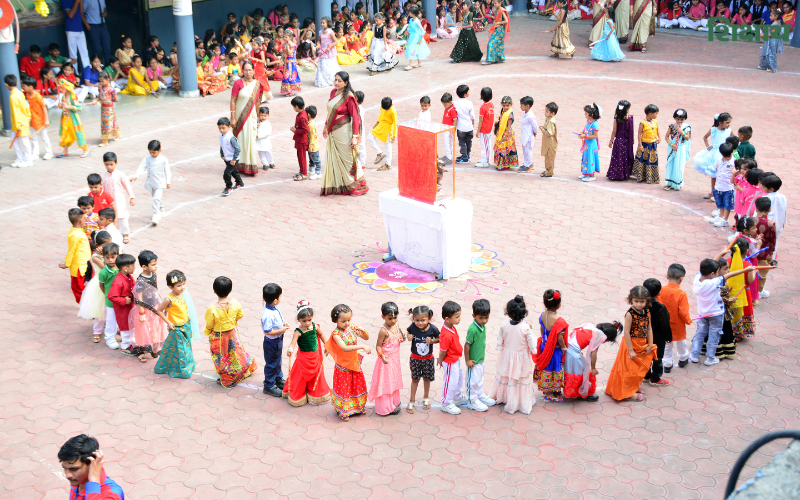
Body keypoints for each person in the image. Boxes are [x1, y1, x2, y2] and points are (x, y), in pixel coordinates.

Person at [321, 71, 369, 196]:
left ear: (346, 83)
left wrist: (354, 137)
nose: (336, 83)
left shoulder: (349, 96)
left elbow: (356, 118)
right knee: (337, 160)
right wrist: (326, 126)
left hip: (344, 132)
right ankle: (342, 185)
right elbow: (330, 111)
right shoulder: (333, 92)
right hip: (333, 132)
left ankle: (357, 186)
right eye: (335, 80)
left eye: (339, 81)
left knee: (348, 159)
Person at [203, 276, 257, 388]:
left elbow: (209, 324)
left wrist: (207, 332)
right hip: (231, 333)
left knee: (221, 356)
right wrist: (233, 322)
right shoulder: (235, 303)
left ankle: (228, 378)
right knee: (234, 351)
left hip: (219, 336)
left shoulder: (212, 309)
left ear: (214, 291)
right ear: (230, 290)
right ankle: (245, 367)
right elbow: (240, 314)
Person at [604, 286, 656, 401]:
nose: (639, 304)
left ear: (646, 301)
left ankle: (633, 387)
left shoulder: (647, 311)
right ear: (631, 300)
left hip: (642, 344)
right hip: (630, 345)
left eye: (642, 301)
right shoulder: (630, 314)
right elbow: (626, 333)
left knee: (638, 370)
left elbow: (649, 329)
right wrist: (631, 350)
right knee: (628, 370)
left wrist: (650, 344)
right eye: (636, 301)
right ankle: (627, 394)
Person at [488, 296, 537, 413]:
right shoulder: (526, 328)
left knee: (506, 376)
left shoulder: (504, 324)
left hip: (507, 356)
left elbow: (501, 340)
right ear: (524, 313)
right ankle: (517, 402)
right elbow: (532, 344)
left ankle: (504, 397)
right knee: (519, 378)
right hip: (521, 359)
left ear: (508, 313)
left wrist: (500, 346)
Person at [325, 304, 371, 420]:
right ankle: (344, 410)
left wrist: (363, 331)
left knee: (356, 385)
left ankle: (357, 407)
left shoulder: (352, 328)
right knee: (345, 387)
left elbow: (366, 337)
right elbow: (344, 348)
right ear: (336, 320)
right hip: (344, 366)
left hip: (354, 363)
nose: (347, 323)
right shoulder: (336, 334)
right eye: (343, 321)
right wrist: (361, 346)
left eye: (349, 320)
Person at [282, 301, 331, 406]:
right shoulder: (298, 332)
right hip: (304, 359)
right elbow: (293, 343)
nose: (307, 323)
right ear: (298, 320)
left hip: (315, 357)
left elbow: (322, 335)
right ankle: (300, 394)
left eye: (309, 320)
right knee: (301, 376)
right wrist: (290, 349)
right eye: (304, 321)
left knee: (316, 374)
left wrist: (327, 345)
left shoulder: (315, 327)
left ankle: (314, 394)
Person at [153, 269, 197, 378]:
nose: (182, 287)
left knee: (184, 347)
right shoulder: (168, 299)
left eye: (183, 284)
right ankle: (183, 370)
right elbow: (159, 310)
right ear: (171, 287)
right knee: (181, 350)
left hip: (186, 326)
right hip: (177, 328)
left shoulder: (182, 294)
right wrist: (168, 322)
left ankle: (185, 365)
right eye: (179, 285)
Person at [563, 321, 622, 401]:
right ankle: (581, 394)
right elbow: (593, 353)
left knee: (573, 372)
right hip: (572, 353)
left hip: (567, 347)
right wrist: (593, 368)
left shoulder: (590, 326)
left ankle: (578, 392)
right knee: (581, 372)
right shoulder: (598, 336)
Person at [128, 250, 167, 362]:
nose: (156, 266)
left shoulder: (153, 275)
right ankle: (141, 349)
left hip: (154, 306)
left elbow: (155, 290)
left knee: (154, 326)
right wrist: (141, 313)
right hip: (145, 309)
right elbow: (138, 298)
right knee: (144, 327)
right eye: (153, 265)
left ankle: (154, 345)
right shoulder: (141, 281)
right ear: (144, 267)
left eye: (156, 264)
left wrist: (160, 304)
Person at [59, 434, 124, 500]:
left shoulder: (112, 495)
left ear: (91, 464)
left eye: (74, 469)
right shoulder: (78, 481)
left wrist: (93, 482)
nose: (68, 475)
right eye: (64, 468)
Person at [530, 290, 567, 402]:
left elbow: (542, 329)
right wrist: (564, 348)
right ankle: (552, 392)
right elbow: (560, 338)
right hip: (555, 350)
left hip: (544, 346)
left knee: (546, 367)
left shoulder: (543, 315)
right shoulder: (559, 322)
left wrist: (544, 341)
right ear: (559, 305)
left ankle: (547, 390)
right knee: (554, 368)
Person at [368, 302, 405, 416]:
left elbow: (400, 337)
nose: (393, 320)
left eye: (395, 317)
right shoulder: (383, 331)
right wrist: (381, 355)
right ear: (383, 317)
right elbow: (378, 346)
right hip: (386, 362)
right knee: (386, 383)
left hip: (395, 361)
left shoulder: (396, 325)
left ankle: (394, 402)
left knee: (393, 381)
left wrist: (403, 337)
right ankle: (385, 407)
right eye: (390, 318)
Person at [230, 61, 264, 176]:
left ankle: (250, 164)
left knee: (250, 140)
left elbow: (258, 102)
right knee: (240, 141)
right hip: (239, 117)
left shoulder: (257, 84)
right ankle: (239, 165)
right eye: (245, 70)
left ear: (254, 71)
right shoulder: (238, 83)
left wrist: (259, 117)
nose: (248, 72)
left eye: (250, 70)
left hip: (251, 116)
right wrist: (232, 118)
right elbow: (233, 101)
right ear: (242, 71)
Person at [462, 299, 496, 412]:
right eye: (481, 318)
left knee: (480, 381)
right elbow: (467, 345)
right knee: (473, 382)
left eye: (486, 317)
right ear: (474, 315)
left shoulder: (483, 326)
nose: (484, 320)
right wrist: (467, 360)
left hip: (480, 360)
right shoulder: (473, 329)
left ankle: (480, 395)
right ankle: (472, 401)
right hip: (473, 362)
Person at [405, 305, 439, 413]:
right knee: (415, 379)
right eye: (417, 320)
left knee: (426, 379)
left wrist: (432, 341)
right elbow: (408, 332)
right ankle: (412, 400)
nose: (420, 323)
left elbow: (439, 338)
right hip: (414, 359)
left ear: (429, 319)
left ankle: (426, 398)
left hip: (428, 359)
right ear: (413, 319)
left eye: (423, 320)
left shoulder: (433, 328)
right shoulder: (413, 327)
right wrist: (408, 336)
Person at [78, 231, 110, 343]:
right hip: (100, 285)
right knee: (100, 310)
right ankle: (97, 331)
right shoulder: (96, 257)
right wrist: (104, 256)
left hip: (111, 283)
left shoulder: (108, 255)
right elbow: (108, 268)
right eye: (106, 245)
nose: (109, 247)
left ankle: (116, 328)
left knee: (112, 308)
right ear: (98, 246)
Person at [660, 264, 692, 371]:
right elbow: (683, 312)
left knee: (667, 345)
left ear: (667, 276)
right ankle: (683, 359)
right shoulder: (681, 294)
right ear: (681, 279)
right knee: (681, 342)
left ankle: (667, 364)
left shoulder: (661, 291)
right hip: (678, 324)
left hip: (663, 324)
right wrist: (688, 321)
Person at [130, 140, 171, 225]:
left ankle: (156, 215)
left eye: (154, 152)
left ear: (160, 150)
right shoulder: (147, 158)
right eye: (150, 152)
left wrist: (168, 182)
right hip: (151, 183)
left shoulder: (164, 160)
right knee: (156, 198)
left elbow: (167, 171)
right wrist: (136, 176)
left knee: (155, 199)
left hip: (160, 183)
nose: (152, 154)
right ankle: (161, 209)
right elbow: (142, 167)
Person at [694, 112, 732, 200]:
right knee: (714, 174)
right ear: (720, 122)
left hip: (724, 154)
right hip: (714, 154)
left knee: (721, 174)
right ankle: (713, 192)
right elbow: (705, 137)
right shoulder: (713, 129)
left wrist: (730, 148)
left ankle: (719, 194)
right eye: (727, 122)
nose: (729, 124)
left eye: (729, 122)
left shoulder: (729, 131)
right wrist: (708, 146)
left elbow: (734, 139)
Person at [438, 301, 466, 415]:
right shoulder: (446, 334)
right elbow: (442, 351)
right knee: (450, 382)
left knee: (458, 379)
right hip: (449, 361)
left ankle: (457, 397)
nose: (459, 319)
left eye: (459, 316)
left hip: (455, 359)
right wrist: (440, 360)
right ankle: (446, 403)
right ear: (447, 319)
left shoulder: (452, 327)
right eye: (457, 317)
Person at [642, 278, 672, 387]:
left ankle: (646, 375)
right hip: (658, 338)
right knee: (657, 358)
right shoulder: (661, 307)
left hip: (643, 337)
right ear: (659, 292)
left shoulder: (640, 306)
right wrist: (668, 337)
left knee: (645, 356)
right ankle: (655, 378)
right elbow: (665, 325)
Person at [261, 283, 289, 397]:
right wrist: (281, 330)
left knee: (277, 361)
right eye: (280, 296)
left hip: (278, 341)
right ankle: (269, 385)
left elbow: (277, 320)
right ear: (275, 300)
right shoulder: (267, 314)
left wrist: (283, 323)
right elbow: (267, 331)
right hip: (272, 343)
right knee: (272, 364)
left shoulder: (274, 307)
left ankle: (277, 378)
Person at [101, 152, 135, 244]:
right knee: (111, 219)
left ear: (116, 163)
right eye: (107, 164)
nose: (109, 167)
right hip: (109, 203)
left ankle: (125, 234)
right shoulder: (103, 177)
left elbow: (127, 186)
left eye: (111, 164)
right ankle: (113, 234)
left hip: (119, 201)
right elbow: (102, 190)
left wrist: (131, 197)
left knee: (122, 218)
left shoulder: (120, 174)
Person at [108, 253, 136, 355]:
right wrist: (124, 301)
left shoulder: (128, 276)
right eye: (132, 266)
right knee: (125, 328)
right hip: (122, 310)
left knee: (130, 326)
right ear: (125, 268)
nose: (134, 267)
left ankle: (130, 344)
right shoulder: (118, 281)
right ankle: (125, 347)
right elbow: (111, 296)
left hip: (129, 308)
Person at [60, 208, 90, 303]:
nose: (86, 220)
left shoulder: (78, 231)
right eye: (84, 218)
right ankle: (85, 307)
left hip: (86, 265)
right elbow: (71, 251)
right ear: (81, 220)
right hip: (79, 268)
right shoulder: (75, 235)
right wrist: (67, 264)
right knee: (79, 289)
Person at [4, 74, 32, 168]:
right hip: (22, 121)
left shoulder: (13, 97)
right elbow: (26, 106)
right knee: (16, 140)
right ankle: (21, 158)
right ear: (16, 83)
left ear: (6, 85)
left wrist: (18, 126)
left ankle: (28, 160)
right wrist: (28, 116)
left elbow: (16, 113)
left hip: (19, 123)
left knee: (24, 141)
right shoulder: (20, 93)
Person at [632, 103, 661, 184]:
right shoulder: (643, 123)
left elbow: (657, 129)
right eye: (656, 113)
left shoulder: (655, 121)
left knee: (652, 160)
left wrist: (659, 137)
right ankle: (641, 176)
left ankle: (652, 176)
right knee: (643, 160)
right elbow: (639, 134)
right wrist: (640, 145)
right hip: (644, 145)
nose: (657, 115)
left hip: (653, 145)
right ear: (650, 114)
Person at [368, 97, 399, 172]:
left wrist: (394, 135)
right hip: (381, 125)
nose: (385, 110)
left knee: (387, 145)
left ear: (391, 105)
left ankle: (388, 164)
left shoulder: (393, 111)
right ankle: (379, 152)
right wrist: (377, 122)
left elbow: (395, 124)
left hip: (387, 129)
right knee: (370, 137)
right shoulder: (383, 106)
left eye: (387, 109)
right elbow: (381, 114)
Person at [754, 197, 777, 298]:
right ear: (769, 209)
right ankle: (759, 291)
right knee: (762, 274)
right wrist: (771, 252)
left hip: (751, 252)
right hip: (765, 252)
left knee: (751, 271)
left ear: (756, 209)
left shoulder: (751, 220)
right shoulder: (771, 224)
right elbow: (773, 240)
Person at [709, 143, 736, 228]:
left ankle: (725, 220)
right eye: (725, 156)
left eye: (728, 155)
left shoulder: (734, 162)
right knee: (720, 203)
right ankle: (720, 217)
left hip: (728, 188)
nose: (727, 158)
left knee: (727, 205)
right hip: (719, 186)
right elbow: (717, 168)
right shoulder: (719, 160)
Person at [663, 108, 691, 190]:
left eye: (682, 119)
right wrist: (671, 144)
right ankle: (669, 182)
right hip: (672, 148)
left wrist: (682, 132)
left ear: (685, 119)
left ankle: (677, 183)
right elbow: (666, 137)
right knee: (671, 164)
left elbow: (687, 138)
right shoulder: (672, 126)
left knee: (679, 165)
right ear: (674, 118)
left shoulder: (686, 127)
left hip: (681, 148)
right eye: (678, 119)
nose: (679, 121)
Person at [606, 100, 633, 181]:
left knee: (618, 157)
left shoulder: (617, 118)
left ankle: (616, 174)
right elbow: (631, 130)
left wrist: (611, 141)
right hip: (627, 141)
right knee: (625, 157)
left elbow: (614, 131)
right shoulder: (630, 118)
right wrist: (632, 140)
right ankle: (625, 174)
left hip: (618, 141)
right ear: (627, 110)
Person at [61, 0, 90, 72]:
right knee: (73, 55)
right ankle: (75, 74)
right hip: (70, 29)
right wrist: (77, 2)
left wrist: (81, 3)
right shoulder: (64, 1)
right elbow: (70, 15)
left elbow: (81, 14)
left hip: (80, 29)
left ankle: (88, 73)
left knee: (85, 53)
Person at [493, 96, 518, 171]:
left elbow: (509, 126)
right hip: (501, 132)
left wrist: (505, 135)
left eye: (507, 105)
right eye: (504, 105)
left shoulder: (510, 114)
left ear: (511, 105)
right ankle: (501, 164)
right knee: (501, 148)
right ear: (501, 104)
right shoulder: (503, 111)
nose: (506, 107)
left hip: (506, 134)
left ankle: (505, 165)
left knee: (504, 149)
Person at [95, 72, 121, 146]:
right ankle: (117, 134)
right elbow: (99, 97)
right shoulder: (100, 88)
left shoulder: (111, 89)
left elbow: (116, 100)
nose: (101, 83)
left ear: (108, 79)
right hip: (103, 109)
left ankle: (105, 140)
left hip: (109, 109)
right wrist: (95, 100)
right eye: (100, 81)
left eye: (103, 81)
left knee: (106, 123)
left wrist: (108, 100)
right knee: (110, 122)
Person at [578, 103, 601, 181]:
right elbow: (585, 130)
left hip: (591, 144)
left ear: (591, 114)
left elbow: (596, 136)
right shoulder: (588, 121)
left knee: (590, 158)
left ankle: (591, 175)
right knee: (586, 158)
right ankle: (585, 173)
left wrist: (585, 136)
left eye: (586, 113)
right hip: (587, 144)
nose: (585, 115)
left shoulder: (595, 124)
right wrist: (582, 133)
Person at [453, 84, 475, 165]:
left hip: (461, 128)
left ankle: (464, 156)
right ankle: (467, 155)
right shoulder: (469, 103)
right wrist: (473, 123)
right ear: (465, 94)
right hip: (469, 127)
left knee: (462, 142)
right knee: (469, 141)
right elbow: (472, 115)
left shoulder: (455, 103)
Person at [404, 6, 431, 70]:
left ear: (413, 13)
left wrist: (421, 39)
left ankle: (409, 65)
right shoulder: (411, 20)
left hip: (416, 37)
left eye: (410, 13)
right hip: (412, 36)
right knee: (416, 49)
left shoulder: (417, 21)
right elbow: (410, 29)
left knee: (412, 49)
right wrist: (408, 36)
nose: (409, 14)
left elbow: (422, 30)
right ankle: (419, 63)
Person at [316, 17, 341, 87]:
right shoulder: (321, 32)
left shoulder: (330, 32)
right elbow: (319, 41)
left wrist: (330, 47)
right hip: (323, 50)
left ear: (328, 23)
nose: (322, 24)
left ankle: (330, 79)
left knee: (329, 66)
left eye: (323, 23)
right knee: (322, 66)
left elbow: (336, 41)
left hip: (329, 51)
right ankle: (323, 80)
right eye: (321, 23)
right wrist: (318, 45)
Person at [290, 96, 310, 181]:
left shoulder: (302, 116)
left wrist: (296, 130)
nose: (293, 108)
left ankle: (304, 173)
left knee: (302, 157)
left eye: (293, 106)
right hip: (299, 139)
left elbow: (306, 129)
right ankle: (302, 171)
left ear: (297, 106)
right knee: (299, 156)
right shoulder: (302, 113)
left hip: (302, 140)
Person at [484, 0, 509, 64]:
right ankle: (499, 59)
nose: (494, 5)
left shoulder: (502, 10)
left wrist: (498, 22)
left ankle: (489, 59)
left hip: (500, 29)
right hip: (497, 28)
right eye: (493, 3)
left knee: (491, 43)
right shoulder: (496, 10)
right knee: (498, 44)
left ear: (500, 3)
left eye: (495, 3)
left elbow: (506, 21)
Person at [518, 96, 538, 174]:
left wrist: (535, 132)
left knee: (528, 150)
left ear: (527, 106)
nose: (520, 107)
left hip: (528, 135)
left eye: (521, 105)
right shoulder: (525, 113)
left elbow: (535, 125)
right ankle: (526, 163)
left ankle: (528, 165)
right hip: (524, 134)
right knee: (524, 150)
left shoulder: (531, 116)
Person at [475, 87, 494, 168]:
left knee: (484, 146)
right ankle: (486, 159)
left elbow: (481, 121)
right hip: (489, 128)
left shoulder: (482, 108)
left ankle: (485, 162)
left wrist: (478, 131)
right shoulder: (491, 104)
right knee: (488, 145)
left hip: (484, 130)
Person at [539, 102, 559, 177]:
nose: (545, 113)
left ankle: (550, 171)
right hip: (547, 142)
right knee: (547, 157)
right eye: (545, 111)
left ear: (552, 113)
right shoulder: (548, 118)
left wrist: (542, 130)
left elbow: (550, 133)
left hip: (550, 143)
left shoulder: (551, 121)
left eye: (547, 111)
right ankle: (547, 169)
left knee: (550, 158)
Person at [281, 29, 302, 95]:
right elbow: (283, 52)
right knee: (286, 75)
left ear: (290, 37)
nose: (284, 38)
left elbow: (290, 53)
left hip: (291, 63)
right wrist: (283, 53)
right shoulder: (284, 44)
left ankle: (292, 90)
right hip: (286, 61)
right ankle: (288, 89)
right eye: (284, 37)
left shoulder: (292, 44)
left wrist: (287, 47)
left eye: (286, 37)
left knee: (290, 75)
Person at [256, 106, 275, 171]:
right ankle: (265, 164)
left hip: (266, 141)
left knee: (268, 152)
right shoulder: (257, 122)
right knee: (261, 153)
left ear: (268, 116)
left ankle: (271, 162)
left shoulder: (267, 123)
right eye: (262, 115)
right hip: (259, 142)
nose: (263, 117)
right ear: (259, 115)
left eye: (265, 115)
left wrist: (259, 136)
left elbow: (268, 132)